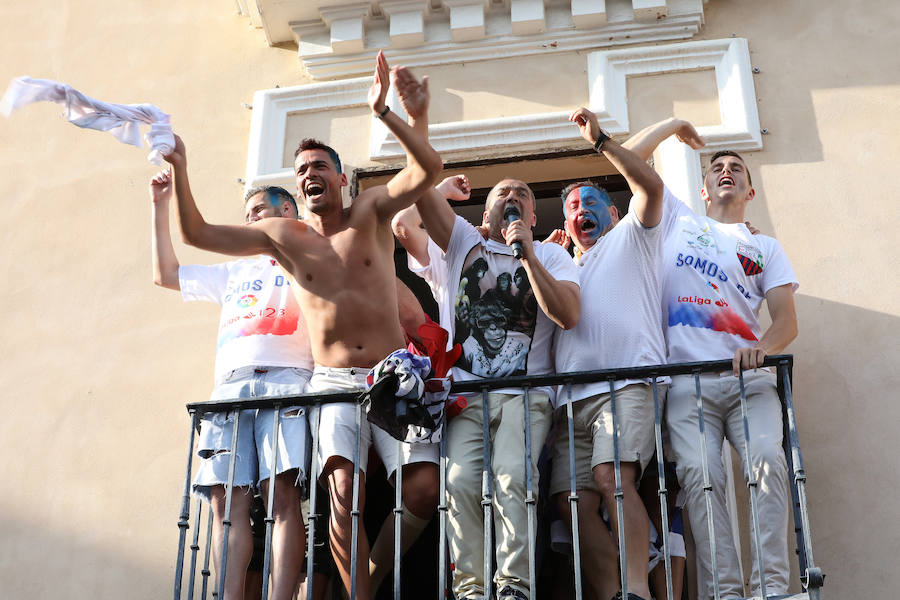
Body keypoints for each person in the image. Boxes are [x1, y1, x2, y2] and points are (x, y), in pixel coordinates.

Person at [162, 51, 444, 600]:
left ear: (341, 176)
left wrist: (397, 116)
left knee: (423, 490)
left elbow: (427, 172)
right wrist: (180, 169)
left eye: (319, 167)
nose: (309, 175)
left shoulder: (371, 213)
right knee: (342, 491)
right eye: (301, 171)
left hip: (393, 375)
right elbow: (195, 234)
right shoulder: (283, 237)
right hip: (334, 383)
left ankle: (371, 578)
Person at [628, 119, 798, 599]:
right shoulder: (679, 223)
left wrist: (763, 347)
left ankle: (771, 589)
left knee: (768, 461)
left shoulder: (764, 246)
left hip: (751, 380)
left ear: (749, 190)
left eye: (736, 168)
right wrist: (670, 127)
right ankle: (725, 592)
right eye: (717, 168)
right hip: (688, 384)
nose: (726, 171)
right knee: (702, 478)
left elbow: (787, 320)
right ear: (704, 190)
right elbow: (630, 160)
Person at [548, 107, 703, 600]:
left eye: (592, 201)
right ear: (565, 222)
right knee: (572, 503)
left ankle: (636, 589)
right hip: (569, 401)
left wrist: (616, 138)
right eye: (572, 205)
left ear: (613, 212)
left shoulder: (633, 236)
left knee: (613, 478)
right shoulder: (559, 267)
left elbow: (648, 185)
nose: (580, 209)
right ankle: (612, 593)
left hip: (626, 385)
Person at [406, 161, 580, 598]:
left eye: (523, 193)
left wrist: (530, 255)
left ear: (534, 218)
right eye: (504, 192)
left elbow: (568, 314)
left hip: (526, 395)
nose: (514, 197)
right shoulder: (462, 241)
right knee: (459, 484)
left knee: (513, 478)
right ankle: (470, 589)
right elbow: (415, 201)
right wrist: (442, 186)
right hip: (465, 397)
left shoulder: (553, 254)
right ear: (484, 214)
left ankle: (514, 587)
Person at [151, 173, 313, 600]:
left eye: (257, 211)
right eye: (246, 215)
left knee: (282, 497)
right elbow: (165, 273)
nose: (249, 220)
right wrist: (159, 205)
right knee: (226, 505)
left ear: (287, 211)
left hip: (287, 382)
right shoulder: (234, 269)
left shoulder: (309, 255)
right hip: (229, 390)